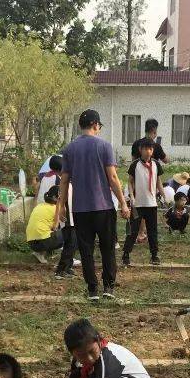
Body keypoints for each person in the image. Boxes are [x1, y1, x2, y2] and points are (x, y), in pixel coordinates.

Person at [55, 110, 130, 301]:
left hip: (80, 209)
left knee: (86, 250)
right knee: (107, 248)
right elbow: (112, 178)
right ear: (96, 124)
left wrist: (61, 206)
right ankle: (108, 287)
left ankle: (92, 289)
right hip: (103, 206)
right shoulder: (104, 146)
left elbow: (64, 181)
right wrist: (123, 203)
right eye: (99, 126)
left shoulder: (70, 149)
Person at [123, 138, 165, 267]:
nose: (148, 151)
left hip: (151, 204)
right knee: (133, 231)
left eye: (151, 149)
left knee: (152, 231)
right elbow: (130, 181)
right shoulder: (135, 165)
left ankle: (154, 255)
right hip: (138, 204)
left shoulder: (156, 165)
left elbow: (158, 181)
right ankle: (126, 254)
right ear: (140, 150)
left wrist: (163, 196)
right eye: (146, 149)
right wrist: (131, 196)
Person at [25, 187, 68, 264]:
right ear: (56, 197)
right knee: (69, 233)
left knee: (49, 232)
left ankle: (40, 253)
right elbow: (54, 227)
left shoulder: (39, 206)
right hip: (42, 242)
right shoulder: (56, 208)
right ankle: (68, 257)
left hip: (31, 243)